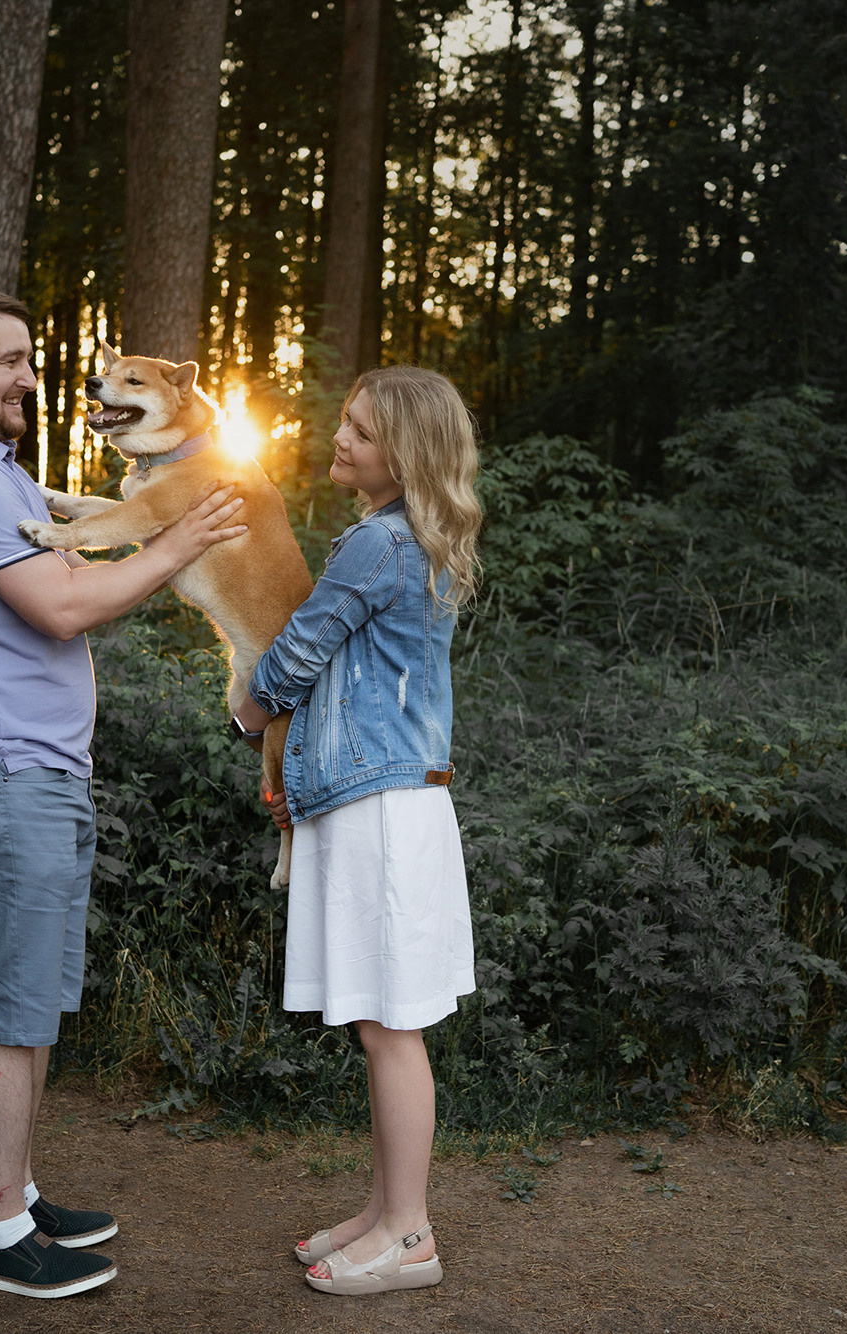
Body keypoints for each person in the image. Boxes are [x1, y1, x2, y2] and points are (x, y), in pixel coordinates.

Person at [0, 283, 247, 1299]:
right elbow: (63, 605)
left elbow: (76, 554)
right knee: (9, 1012)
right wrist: (177, 543)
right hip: (1, 774)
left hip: (34, 773)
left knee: (35, 1003)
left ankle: (19, 1192)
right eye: (8, 359)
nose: (31, 377)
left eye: (31, 358)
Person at [233, 366, 483, 1296]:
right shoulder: (398, 537)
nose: (340, 439)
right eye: (346, 422)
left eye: (364, 433)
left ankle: (410, 1236)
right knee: (383, 1025)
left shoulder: (379, 545)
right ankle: (383, 1212)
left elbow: (298, 649)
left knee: (391, 1030)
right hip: (380, 798)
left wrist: (248, 719)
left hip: (383, 808)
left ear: (406, 456)